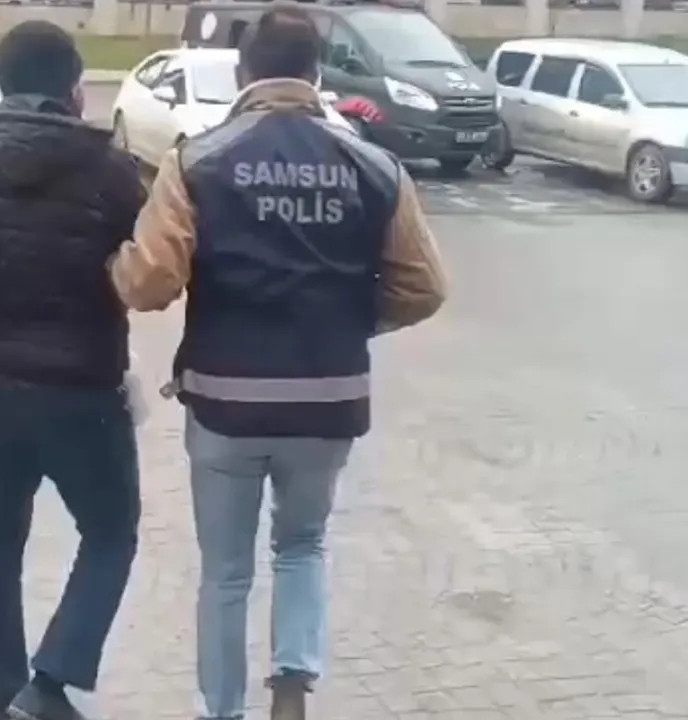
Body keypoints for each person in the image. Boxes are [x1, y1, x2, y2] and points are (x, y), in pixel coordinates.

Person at [108, 7, 447, 720]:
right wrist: (357, 319)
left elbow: (150, 283)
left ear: (244, 71)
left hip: (225, 399)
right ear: (317, 72)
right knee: (302, 544)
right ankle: (293, 677)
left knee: (226, 574)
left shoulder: (196, 160)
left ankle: (223, 710)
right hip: (329, 396)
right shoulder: (375, 165)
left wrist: (117, 266)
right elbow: (424, 286)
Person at [0, 20, 146, 720]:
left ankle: (1, 684)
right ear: (74, 88)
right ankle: (49, 683)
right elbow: (143, 259)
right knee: (111, 531)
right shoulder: (110, 170)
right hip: (86, 388)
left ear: (2, 83)